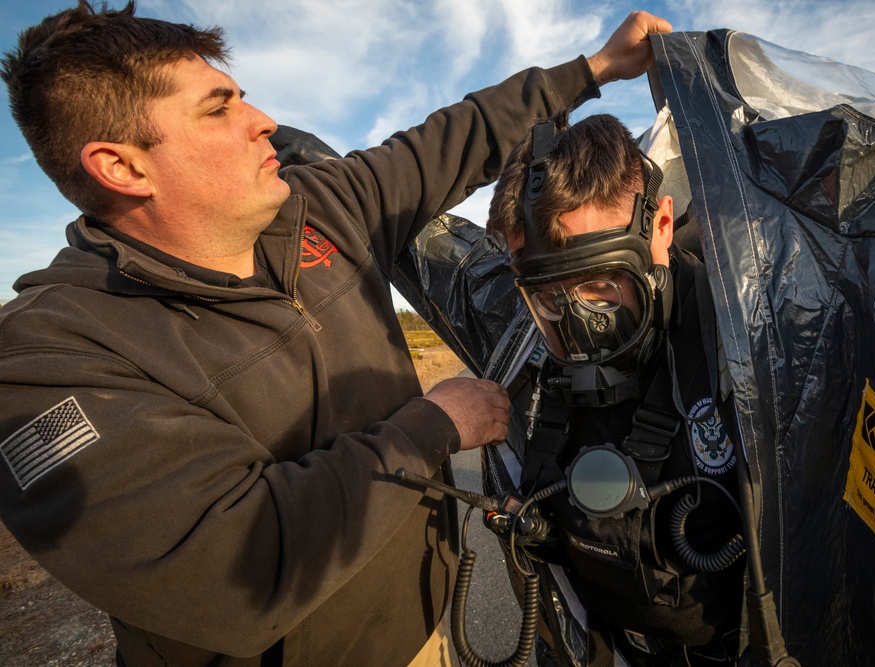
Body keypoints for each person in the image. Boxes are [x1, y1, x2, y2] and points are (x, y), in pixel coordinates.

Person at [0, 2, 673, 666]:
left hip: (427, 631)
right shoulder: (48, 358)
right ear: (121, 166)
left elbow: (450, 139)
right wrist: (432, 426)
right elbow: (236, 566)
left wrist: (596, 67)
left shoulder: (318, 207)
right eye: (218, 107)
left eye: (242, 98)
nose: (263, 122)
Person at [481, 113, 746, 666]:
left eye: (602, 283)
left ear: (662, 228)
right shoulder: (526, 353)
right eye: (551, 299)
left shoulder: (748, 348)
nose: (581, 325)